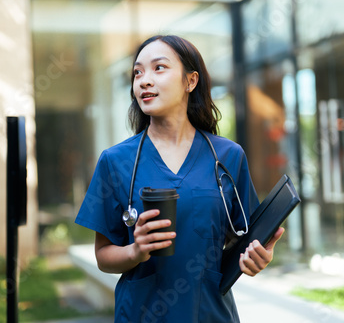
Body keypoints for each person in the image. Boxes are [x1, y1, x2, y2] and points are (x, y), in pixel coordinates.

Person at [75, 35, 284, 322]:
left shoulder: (227, 156)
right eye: (138, 72)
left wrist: (259, 257)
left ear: (190, 81)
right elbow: (103, 256)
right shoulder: (115, 161)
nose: (144, 80)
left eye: (159, 68)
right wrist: (135, 251)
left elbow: (243, 241)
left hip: (210, 314)